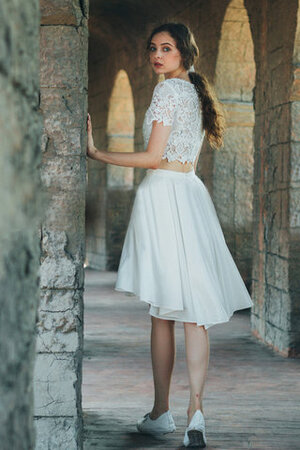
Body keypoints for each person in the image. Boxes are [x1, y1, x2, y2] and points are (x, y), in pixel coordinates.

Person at [87, 22, 254, 449]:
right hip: (191, 195)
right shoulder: (195, 92)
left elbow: (152, 157)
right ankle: (193, 412)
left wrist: (97, 152)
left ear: (184, 53)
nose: (157, 55)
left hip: (164, 197)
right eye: (152, 49)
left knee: (163, 311)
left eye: (167, 48)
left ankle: (162, 413)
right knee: (193, 311)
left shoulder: (167, 92)